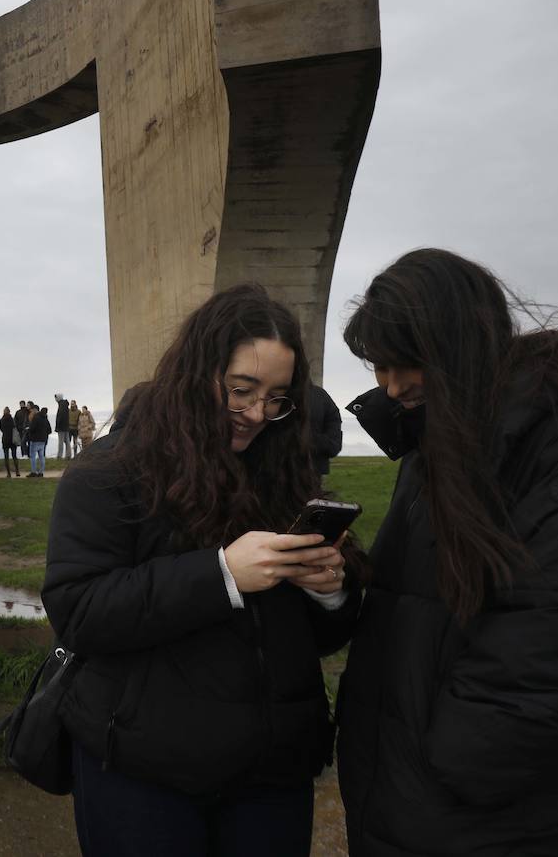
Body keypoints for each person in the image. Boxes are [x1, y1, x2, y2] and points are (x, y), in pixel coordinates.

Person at [43, 284, 355, 856]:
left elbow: (320, 639)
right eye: (241, 391)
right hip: (142, 774)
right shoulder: (110, 471)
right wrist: (221, 575)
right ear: (195, 374)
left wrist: (330, 593)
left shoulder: (285, 471)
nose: (258, 414)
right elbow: (79, 611)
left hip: (272, 777)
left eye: (277, 398)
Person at [335, 249, 558, 856]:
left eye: (405, 363)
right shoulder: (436, 440)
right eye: (378, 367)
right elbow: (420, 597)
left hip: (476, 818)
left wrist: (450, 766)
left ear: (459, 341)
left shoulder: (555, 439)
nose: (391, 387)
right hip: (409, 797)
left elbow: (551, 642)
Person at [307, 383, 343, 478]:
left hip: (313, 472)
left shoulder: (320, 396)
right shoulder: (320, 395)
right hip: (271, 471)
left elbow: (333, 446)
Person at [25, 405, 51, 477]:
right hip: (43, 440)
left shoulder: (36, 418)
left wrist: (28, 430)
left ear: (35, 410)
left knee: (33, 456)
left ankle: (33, 472)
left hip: (35, 440)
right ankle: (41, 472)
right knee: (41, 456)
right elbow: (49, 430)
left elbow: (32, 428)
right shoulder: (45, 419)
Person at [0, 406, 21, 478]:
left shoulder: (2, 420)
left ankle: (8, 473)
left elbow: (1, 428)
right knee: (14, 456)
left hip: (5, 439)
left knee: (6, 457)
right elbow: (15, 427)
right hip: (12, 439)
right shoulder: (12, 420)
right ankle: (17, 471)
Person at [54, 393, 71, 458]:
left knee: (61, 442)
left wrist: (58, 426)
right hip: (66, 426)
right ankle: (68, 455)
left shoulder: (61, 405)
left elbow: (60, 417)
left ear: (59, 398)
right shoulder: (65, 404)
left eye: (56, 398)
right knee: (67, 441)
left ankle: (59, 455)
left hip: (61, 427)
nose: (55, 399)